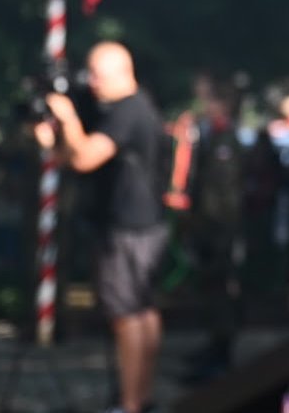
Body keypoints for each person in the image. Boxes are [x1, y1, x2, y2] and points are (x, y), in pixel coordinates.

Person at [36, 42, 167, 413]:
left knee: (126, 315)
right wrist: (55, 144)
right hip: (143, 225)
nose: (90, 83)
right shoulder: (136, 107)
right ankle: (141, 397)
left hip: (127, 229)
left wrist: (67, 119)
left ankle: (129, 402)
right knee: (143, 310)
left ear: (121, 72)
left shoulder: (127, 111)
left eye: (97, 75)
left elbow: (85, 158)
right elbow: (74, 156)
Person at [181, 81, 247, 384]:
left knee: (221, 292)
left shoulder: (225, 140)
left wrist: (217, 231)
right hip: (210, 228)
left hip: (221, 230)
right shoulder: (211, 136)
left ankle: (222, 354)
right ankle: (213, 346)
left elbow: (224, 194)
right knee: (211, 290)